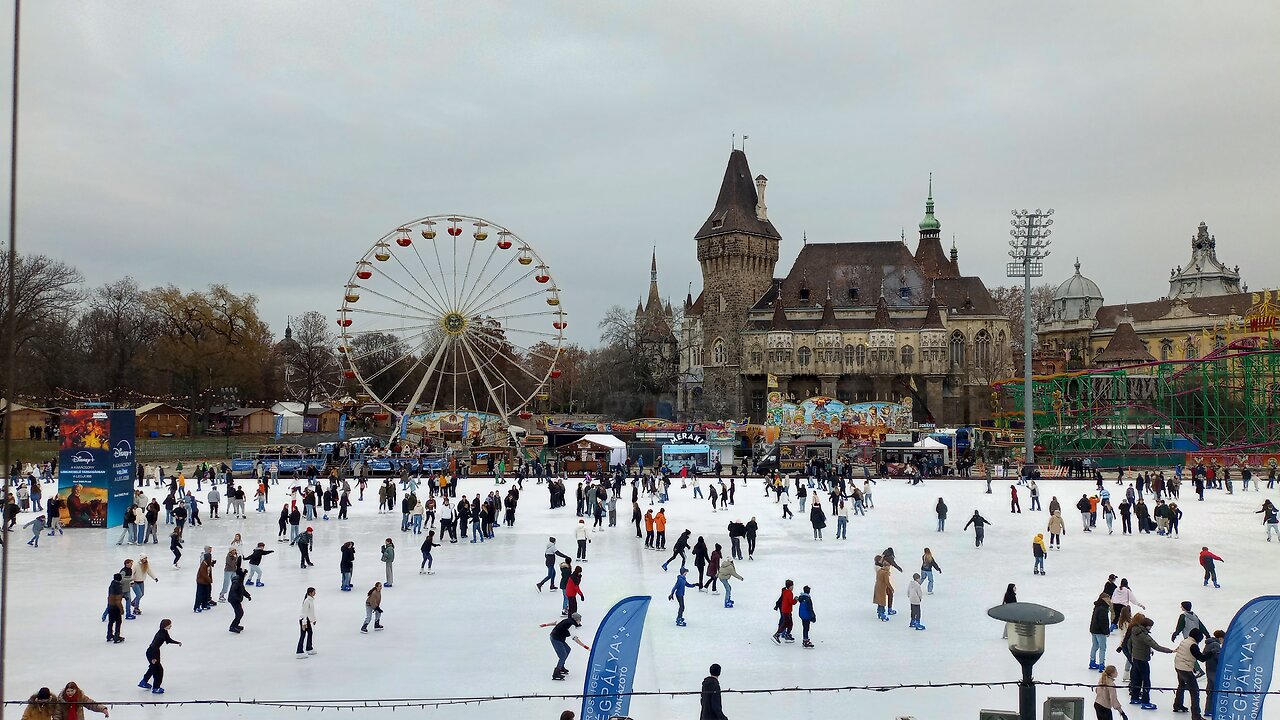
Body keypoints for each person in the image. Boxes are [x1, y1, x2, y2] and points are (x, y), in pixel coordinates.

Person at [1127, 617, 1173, 709]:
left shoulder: (1134, 631)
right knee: (1146, 681)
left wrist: (1132, 653)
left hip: (1135, 659)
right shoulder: (1144, 635)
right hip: (1143, 660)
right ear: (1147, 626)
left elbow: (1129, 643)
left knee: (1137, 679)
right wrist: (1170, 651)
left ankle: (1134, 697)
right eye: (1150, 626)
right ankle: (1145, 702)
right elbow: (1156, 646)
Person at [138, 619, 180, 694]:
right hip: (153, 652)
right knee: (159, 670)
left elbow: (168, 640)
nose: (171, 626)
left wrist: (177, 642)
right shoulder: (160, 635)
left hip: (153, 652)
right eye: (169, 624)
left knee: (153, 668)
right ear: (165, 625)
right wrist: (153, 658)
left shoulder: (164, 632)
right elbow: (154, 646)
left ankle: (144, 682)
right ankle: (156, 687)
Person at [1173, 628, 1206, 719]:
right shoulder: (1193, 645)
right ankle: (1196, 715)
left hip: (1178, 666)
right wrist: (1211, 654)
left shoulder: (1185, 641)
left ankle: (1177, 705)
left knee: (1181, 685)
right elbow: (1201, 658)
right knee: (1195, 692)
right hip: (1186, 669)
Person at [1089, 593, 1112, 671]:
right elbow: (1103, 621)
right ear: (1104, 599)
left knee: (1095, 646)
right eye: (1108, 598)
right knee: (1103, 648)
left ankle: (1092, 662)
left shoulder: (1097, 606)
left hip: (1093, 629)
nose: (1109, 600)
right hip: (1100, 631)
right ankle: (1101, 665)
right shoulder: (1103, 608)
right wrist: (1106, 632)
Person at [227, 568, 251, 633]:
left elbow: (242, 590)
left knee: (239, 613)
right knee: (240, 613)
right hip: (234, 600)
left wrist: (248, 596)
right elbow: (233, 591)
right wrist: (237, 598)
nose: (246, 575)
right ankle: (233, 626)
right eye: (245, 574)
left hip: (236, 600)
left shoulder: (240, 580)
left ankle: (235, 625)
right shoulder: (237, 582)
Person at [297, 587, 318, 658]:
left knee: (310, 633)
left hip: (307, 620)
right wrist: (304, 623)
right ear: (310, 593)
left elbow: (311, 612)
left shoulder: (310, 600)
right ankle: (299, 651)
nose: (315, 593)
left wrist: (313, 620)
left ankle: (309, 648)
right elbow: (304, 612)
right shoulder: (307, 601)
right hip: (304, 620)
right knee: (302, 635)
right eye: (314, 592)